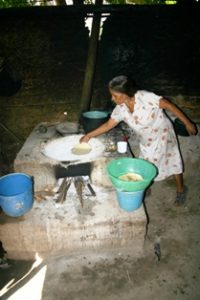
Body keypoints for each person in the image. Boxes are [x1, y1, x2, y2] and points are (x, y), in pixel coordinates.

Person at [80, 75, 197, 205]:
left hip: (163, 134)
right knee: (145, 163)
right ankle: (147, 187)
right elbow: (108, 125)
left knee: (172, 160)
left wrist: (188, 123)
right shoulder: (121, 109)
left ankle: (181, 189)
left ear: (125, 94)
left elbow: (169, 105)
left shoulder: (146, 97)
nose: (112, 98)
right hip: (146, 139)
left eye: (115, 95)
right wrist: (89, 135)